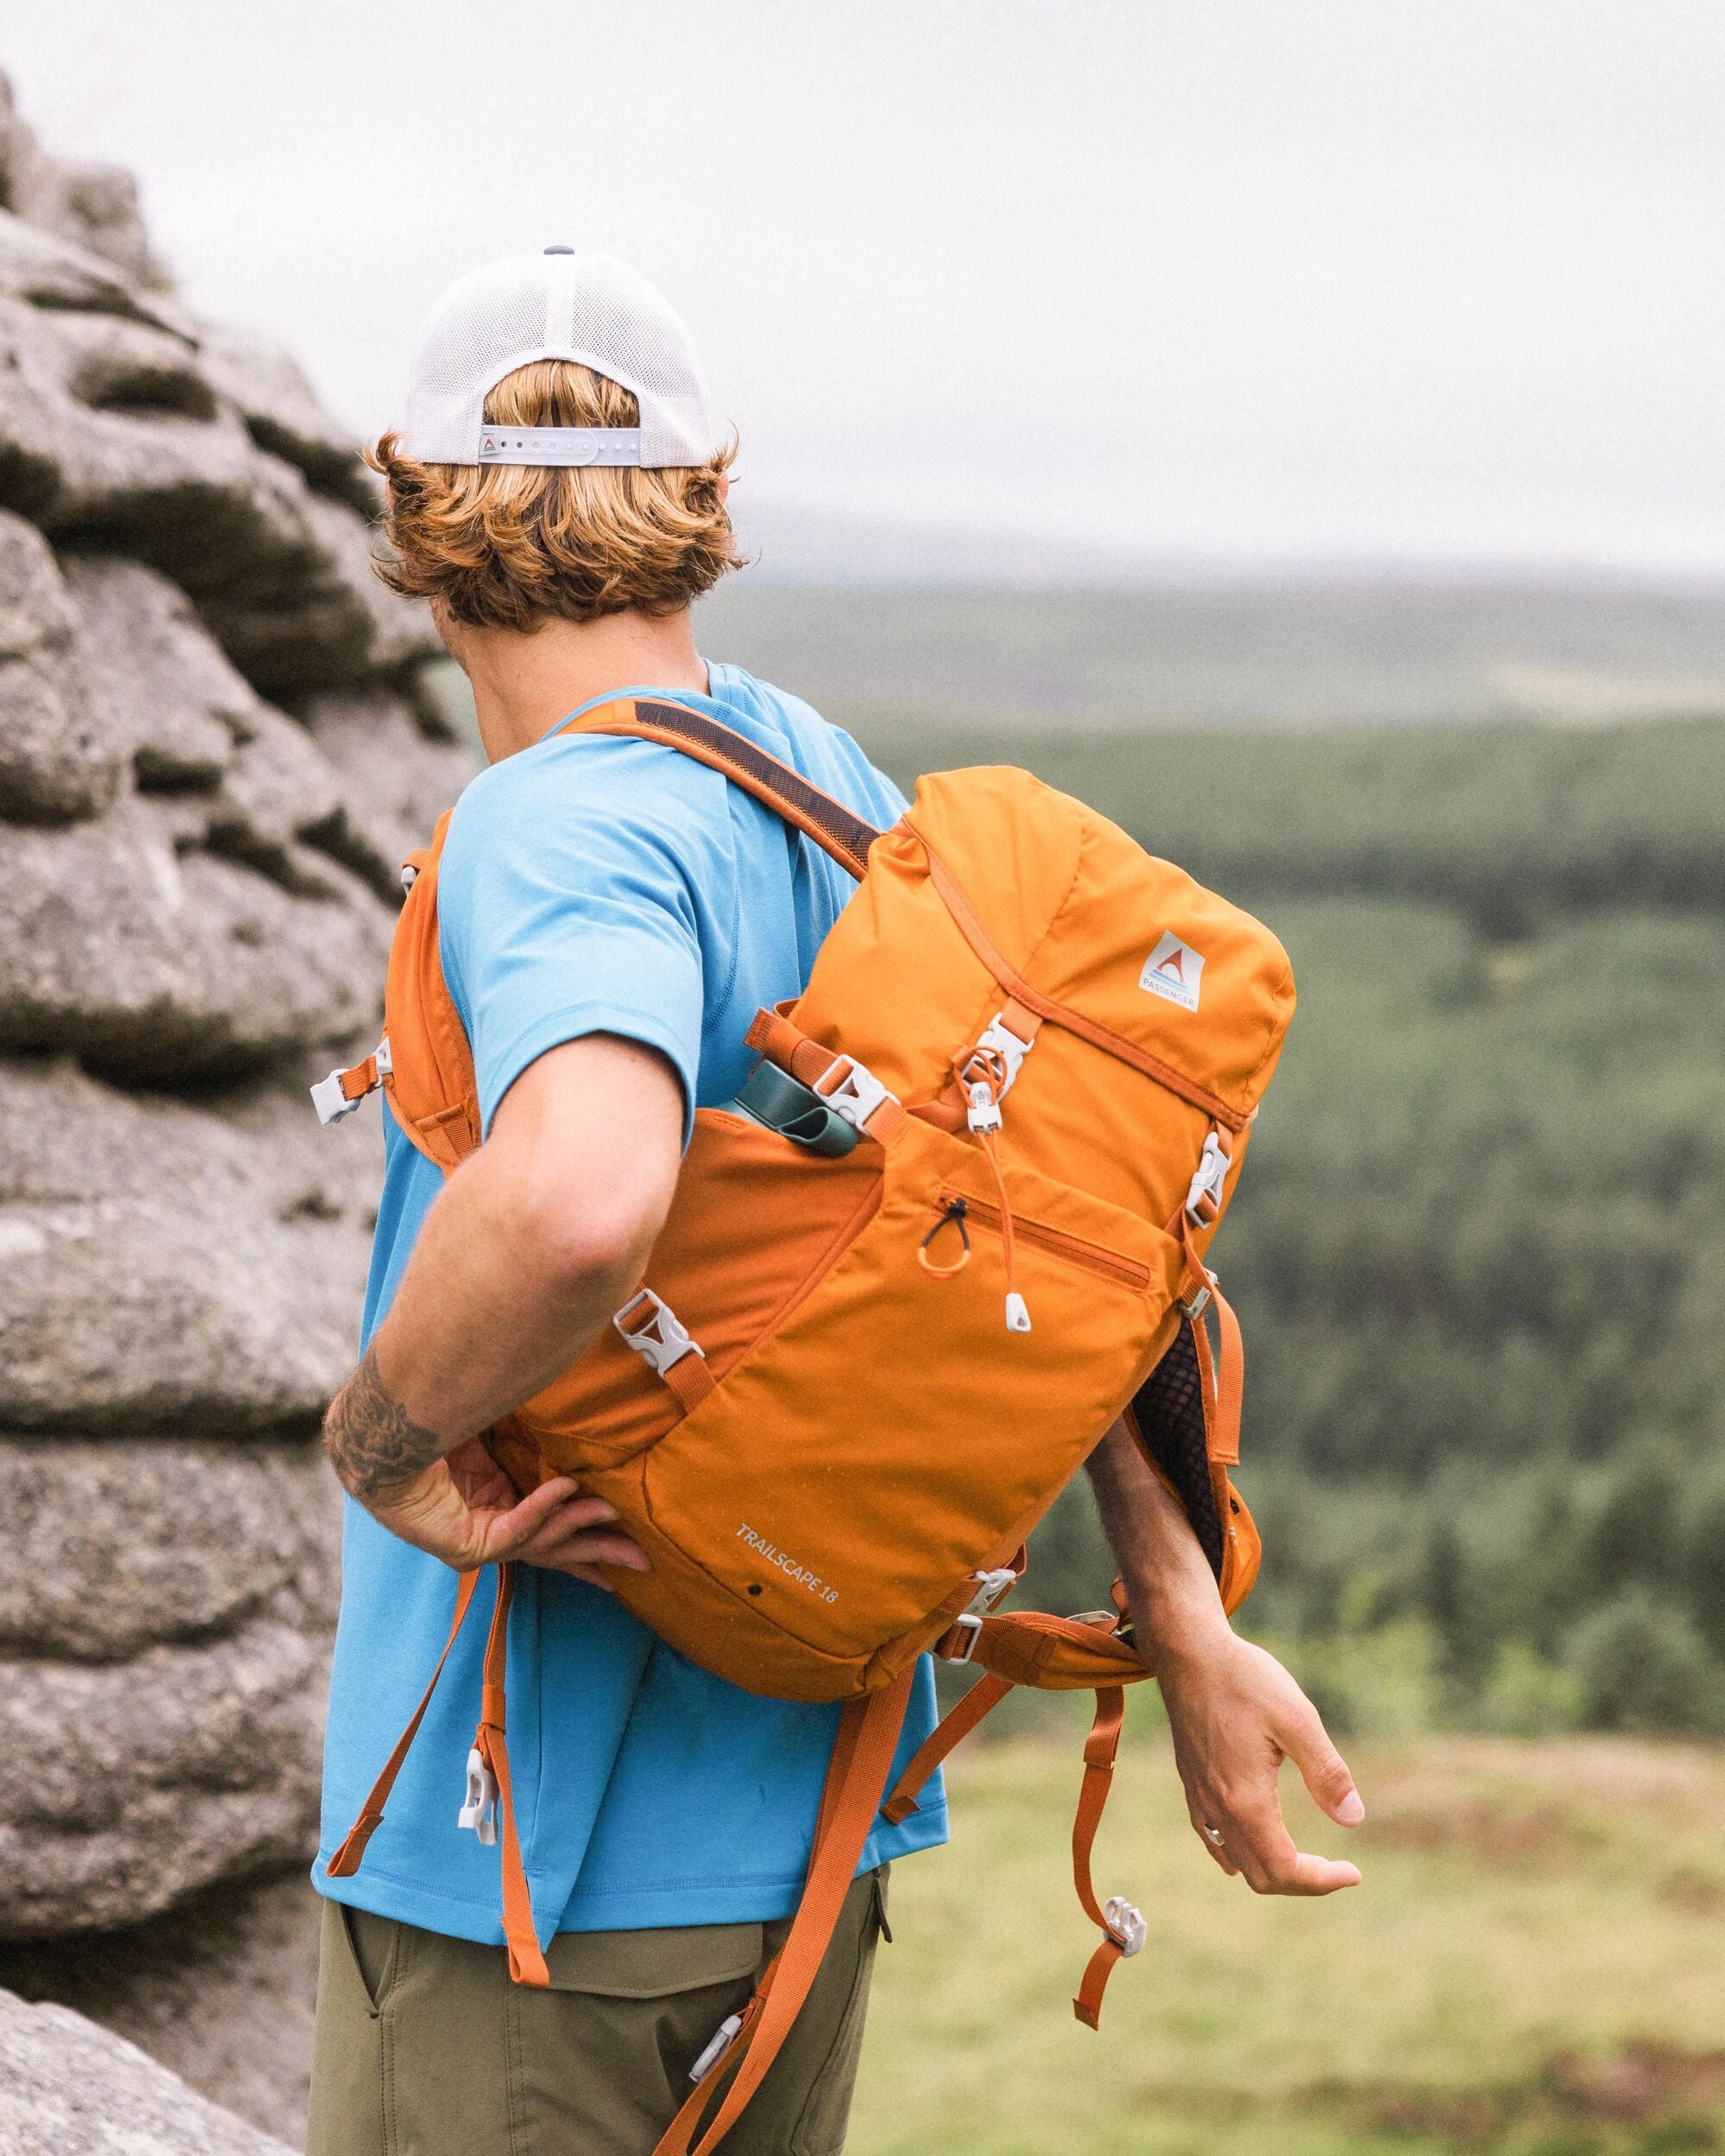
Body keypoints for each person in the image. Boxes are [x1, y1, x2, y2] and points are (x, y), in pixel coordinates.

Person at [307, 250, 1365, 2156]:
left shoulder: (555, 823)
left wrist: (384, 1436)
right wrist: (1179, 1608)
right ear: (707, 507)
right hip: (806, 1856)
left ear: (412, 514)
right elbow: (1065, 1223)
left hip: (535, 1871)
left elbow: (576, 1196)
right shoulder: (824, 784)